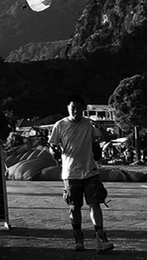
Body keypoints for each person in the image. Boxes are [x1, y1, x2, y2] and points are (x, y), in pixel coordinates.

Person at [49, 94, 114, 252]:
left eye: (79, 108)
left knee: (95, 203)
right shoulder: (60, 125)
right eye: (73, 108)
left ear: (83, 109)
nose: (76, 111)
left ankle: (100, 237)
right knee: (74, 206)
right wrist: (54, 151)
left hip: (90, 170)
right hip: (70, 173)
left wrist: (101, 129)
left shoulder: (89, 124)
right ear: (68, 108)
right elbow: (52, 146)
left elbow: (105, 140)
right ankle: (78, 239)